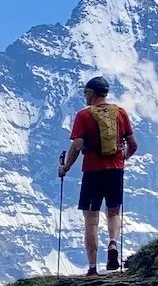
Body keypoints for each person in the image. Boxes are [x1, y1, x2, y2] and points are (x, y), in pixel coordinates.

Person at [57, 76, 138, 275]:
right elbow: (134, 145)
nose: (85, 96)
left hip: (92, 172)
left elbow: (76, 145)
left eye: (85, 93)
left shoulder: (84, 116)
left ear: (92, 93)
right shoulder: (120, 113)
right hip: (115, 171)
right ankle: (112, 243)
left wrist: (65, 167)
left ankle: (92, 269)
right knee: (113, 211)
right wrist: (121, 158)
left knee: (91, 219)